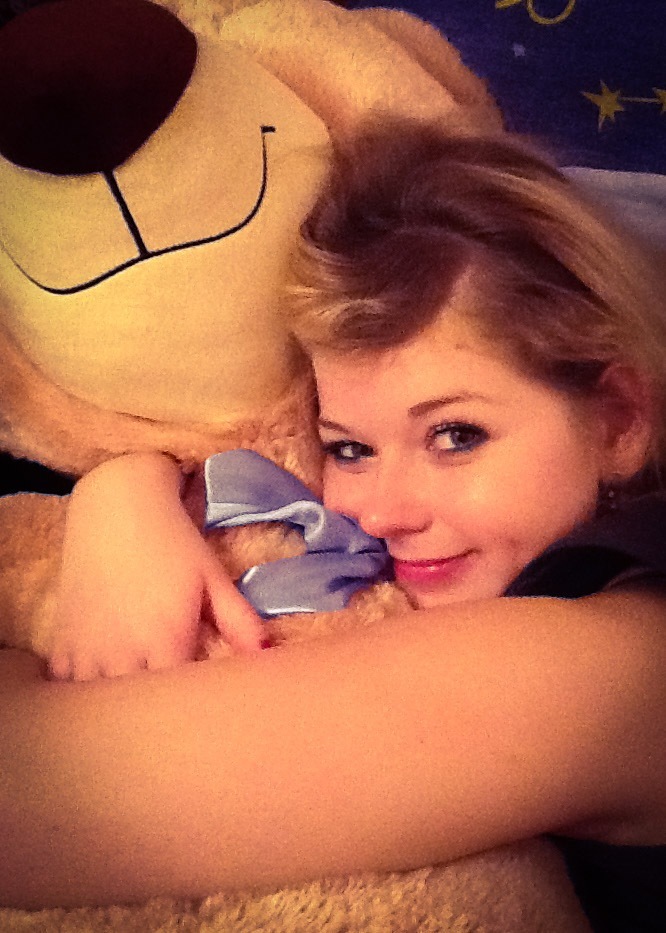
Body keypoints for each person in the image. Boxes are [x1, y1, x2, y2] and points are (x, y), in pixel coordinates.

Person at [2, 118, 666, 932]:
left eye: (456, 435)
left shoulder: (614, 669)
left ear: (619, 419)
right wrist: (127, 486)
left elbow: (29, 794)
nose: (381, 513)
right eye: (349, 448)